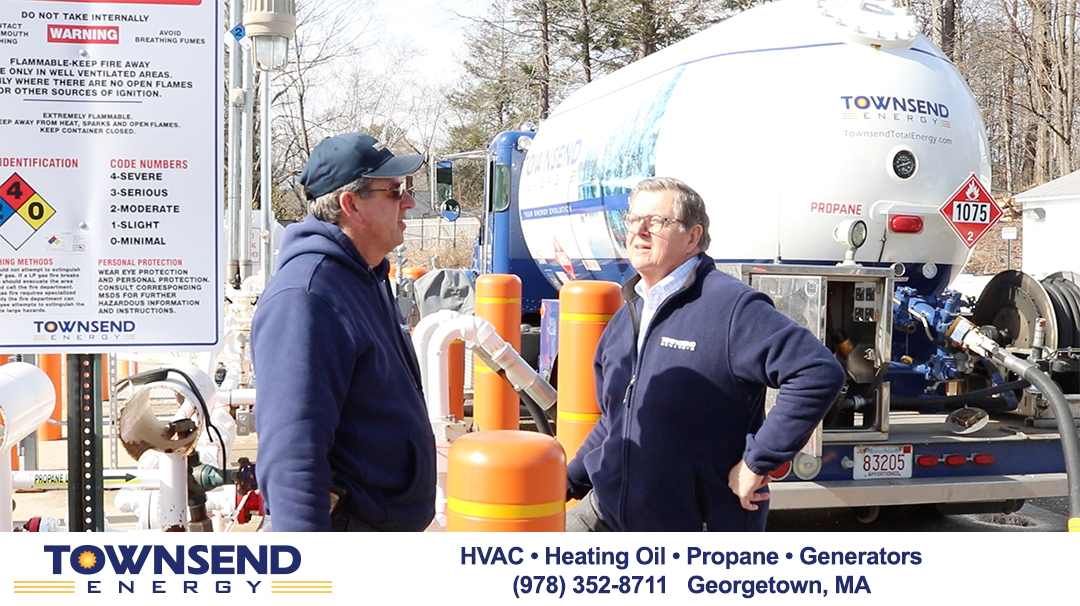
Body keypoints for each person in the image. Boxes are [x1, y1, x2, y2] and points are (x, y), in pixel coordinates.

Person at [565, 177, 846, 532]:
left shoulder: (732, 307)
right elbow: (614, 418)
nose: (639, 231)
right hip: (607, 511)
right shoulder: (628, 314)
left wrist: (757, 462)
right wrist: (566, 482)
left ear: (692, 236)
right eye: (633, 220)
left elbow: (817, 372)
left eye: (656, 221)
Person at [251, 133, 435, 531]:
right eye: (395, 191)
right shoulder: (307, 298)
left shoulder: (365, 275)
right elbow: (292, 455)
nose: (409, 201)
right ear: (351, 205)